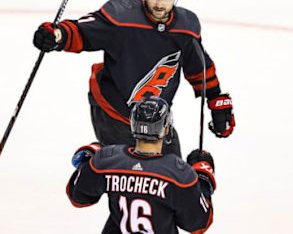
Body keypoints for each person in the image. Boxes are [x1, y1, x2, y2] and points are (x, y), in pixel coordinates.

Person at [33, 0, 236, 157]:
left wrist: (216, 99)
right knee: (125, 173)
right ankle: (98, 163)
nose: (159, 4)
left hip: (157, 115)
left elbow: (199, 68)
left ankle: (96, 159)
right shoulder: (121, 17)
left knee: (170, 173)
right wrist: (57, 36)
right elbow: (82, 32)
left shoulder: (186, 27)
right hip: (113, 108)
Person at [66, 97, 216, 234]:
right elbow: (199, 223)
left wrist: (88, 162)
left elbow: (78, 197)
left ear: (133, 125)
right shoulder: (179, 174)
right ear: (165, 128)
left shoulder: (106, 160)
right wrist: (203, 179)